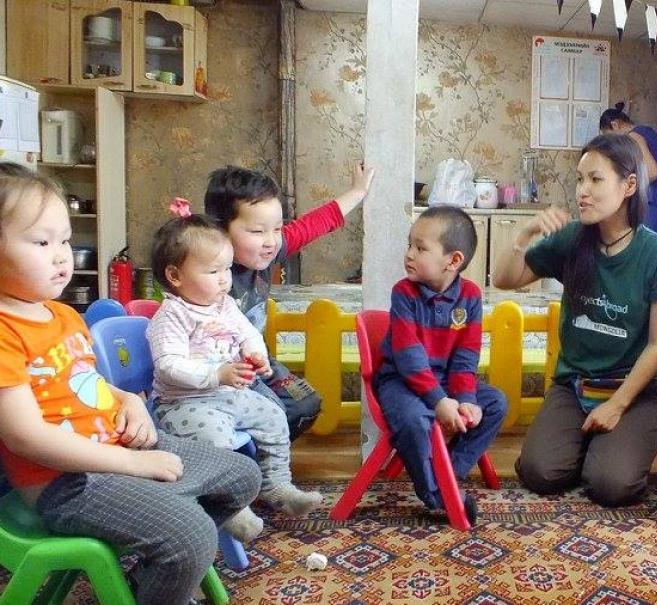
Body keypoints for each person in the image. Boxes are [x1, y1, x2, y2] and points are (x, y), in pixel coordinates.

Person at [0, 164, 261, 605]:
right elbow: (26, 437)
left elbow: (88, 383)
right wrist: (135, 467)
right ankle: (168, 566)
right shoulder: (5, 330)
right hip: (65, 484)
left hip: (118, 450)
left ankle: (153, 572)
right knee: (191, 533)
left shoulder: (62, 315)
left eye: (65, 239)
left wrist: (131, 403)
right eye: (42, 242)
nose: (63, 255)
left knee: (242, 476)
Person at [492, 133, 657, 506]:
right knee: (539, 472)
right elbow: (504, 280)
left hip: (633, 392)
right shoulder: (572, 239)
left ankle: (604, 447)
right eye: (580, 179)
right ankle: (585, 442)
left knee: (611, 486)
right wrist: (525, 234)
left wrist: (616, 406)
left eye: (595, 179)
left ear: (630, 185)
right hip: (575, 385)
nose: (582, 190)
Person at [146, 202, 322, 542]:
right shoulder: (171, 316)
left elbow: (247, 333)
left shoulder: (224, 305)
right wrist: (218, 375)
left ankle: (277, 486)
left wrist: (256, 354)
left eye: (227, 269)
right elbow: (168, 366)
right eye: (214, 272)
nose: (225, 279)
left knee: (273, 415)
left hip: (227, 396)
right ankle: (230, 507)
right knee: (217, 437)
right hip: (185, 405)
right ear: (175, 276)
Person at [203, 162, 375, 439]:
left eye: (277, 229)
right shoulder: (207, 273)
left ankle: (257, 454)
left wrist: (357, 192)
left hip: (259, 363)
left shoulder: (265, 251)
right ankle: (237, 458)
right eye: (257, 232)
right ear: (220, 231)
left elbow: (313, 225)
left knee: (304, 404)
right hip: (217, 371)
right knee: (265, 411)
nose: (271, 241)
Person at [374, 206, 507, 524]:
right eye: (410, 244)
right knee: (415, 418)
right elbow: (409, 361)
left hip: (446, 381)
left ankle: (446, 470)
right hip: (401, 382)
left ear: (454, 260)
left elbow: (465, 359)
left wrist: (466, 401)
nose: (409, 254)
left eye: (420, 248)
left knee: (496, 403)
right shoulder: (403, 293)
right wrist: (440, 402)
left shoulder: (471, 297)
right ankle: (438, 493)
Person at [599, 102, 657, 243]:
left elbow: (653, 172)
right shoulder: (648, 132)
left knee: (652, 260)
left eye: (610, 136)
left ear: (615, 125)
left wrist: (625, 186)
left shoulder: (634, 137)